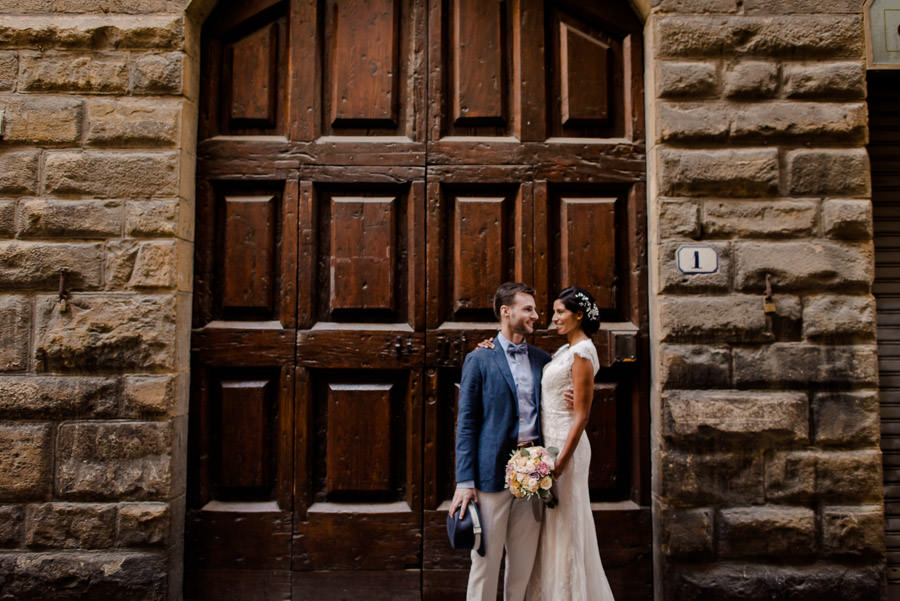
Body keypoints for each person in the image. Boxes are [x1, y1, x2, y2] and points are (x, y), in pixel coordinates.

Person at [449, 282, 552, 601]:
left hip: (534, 474)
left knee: (523, 567)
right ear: (506, 312)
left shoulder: (542, 359)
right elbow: (466, 423)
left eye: (535, 309)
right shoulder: (479, 360)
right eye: (528, 309)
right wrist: (464, 481)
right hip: (490, 477)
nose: (536, 315)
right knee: (485, 563)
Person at [527, 286, 615, 601]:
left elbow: (581, 417)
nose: (554, 319)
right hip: (549, 443)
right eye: (554, 312)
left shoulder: (582, 352)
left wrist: (560, 463)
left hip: (567, 449)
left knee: (567, 526)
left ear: (579, 315)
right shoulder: (565, 351)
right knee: (552, 527)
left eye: (560, 312)